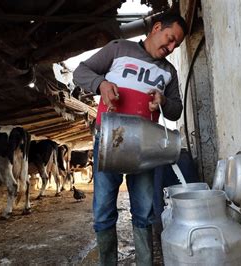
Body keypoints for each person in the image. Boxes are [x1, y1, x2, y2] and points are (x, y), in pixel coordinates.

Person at [73, 12, 188, 265]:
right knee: (103, 212)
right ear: (156, 27)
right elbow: (80, 72)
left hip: (145, 148)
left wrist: (164, 101)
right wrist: (101, 84)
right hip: (109, 141)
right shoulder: (118, 49)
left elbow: (176, 110)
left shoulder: (169, 72)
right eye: (169, 39)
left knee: (144, 212)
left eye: (175, 45)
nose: (170, 48)